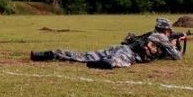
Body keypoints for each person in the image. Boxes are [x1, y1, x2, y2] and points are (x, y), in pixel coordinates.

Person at [31, 17, 184, 69]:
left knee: (86, 55)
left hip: (122, 47)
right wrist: (176, 44)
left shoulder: (151, 34)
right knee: (118, 62)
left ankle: (51, 54)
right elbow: (177, 57)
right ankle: (103, 64)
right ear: (166, 30)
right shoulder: (162, 38)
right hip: (129, 53)